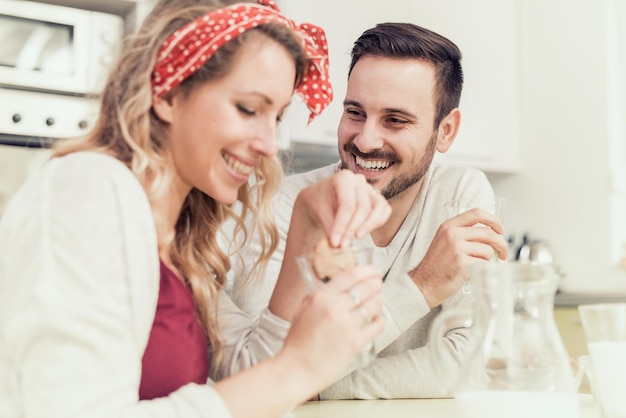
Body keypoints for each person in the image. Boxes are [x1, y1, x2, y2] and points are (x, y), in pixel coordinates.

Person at [0, 1, 392, 417]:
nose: (268, 144)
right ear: (169, 92)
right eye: (247, 108)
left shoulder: (180, 241)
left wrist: (307, 223)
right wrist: (300, 367)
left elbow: (247, 383)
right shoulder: (89, 187)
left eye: (275, 118)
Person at [226, 22, 509, 399]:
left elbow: (475, 356)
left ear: (446, 131)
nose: (365, 140)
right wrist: (420, 286)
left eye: (395, 120)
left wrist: (323, 386)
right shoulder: (281, 203)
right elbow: (267, 376)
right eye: (355, 113)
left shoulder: (458, 195)